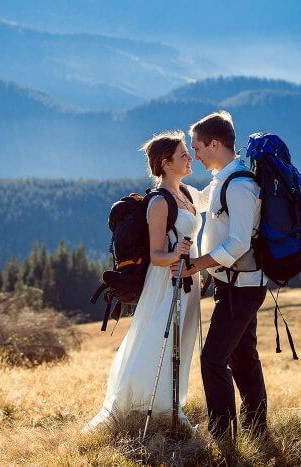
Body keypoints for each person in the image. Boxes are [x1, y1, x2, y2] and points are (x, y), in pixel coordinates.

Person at [82, 130, 206, 433]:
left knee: (183, 342)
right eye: (182, 155)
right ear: (165, 163)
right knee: (156, 341)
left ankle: (171, 405)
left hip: (188, 282)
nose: (189, 158)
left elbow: (213, 198)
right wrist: (175, 252)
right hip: (166, 282)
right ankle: (150, 406)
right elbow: (156, 255)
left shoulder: (187, 193)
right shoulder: (159, 203)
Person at [172, 111, 269, 441]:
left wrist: (197, 264)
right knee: (243, 357)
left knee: (213, 359)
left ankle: (223, 435)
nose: (194, 154)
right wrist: (170, 184)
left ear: (215, 144)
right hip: (233, 284)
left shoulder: (240, 185)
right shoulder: (223, 179)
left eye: (197, 147)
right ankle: (256, 429)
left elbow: (239, 242)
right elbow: (203, 203)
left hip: (243, 287)